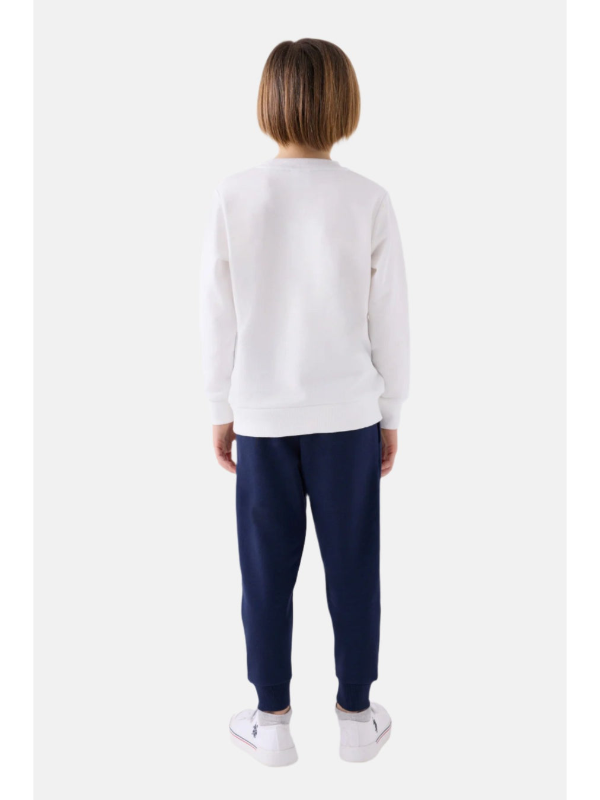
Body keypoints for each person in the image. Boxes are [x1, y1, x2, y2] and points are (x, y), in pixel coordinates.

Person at [201, 38, 410, 766]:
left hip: (262, 417)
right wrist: (391, 411)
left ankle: (272, 721)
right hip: (348, 416)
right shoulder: (368, 198)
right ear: (344, 102)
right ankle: (356, 716)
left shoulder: (235, 194)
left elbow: (216, 314)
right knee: (354, 566)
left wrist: (219, 407)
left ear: (270, 101)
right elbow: (390, 317)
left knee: (265, 572)